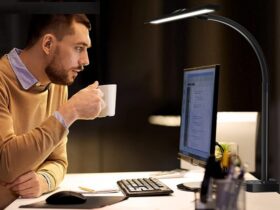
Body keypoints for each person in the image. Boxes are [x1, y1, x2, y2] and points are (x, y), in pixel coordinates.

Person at [0, 14, 105, 209]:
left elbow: (58, 161)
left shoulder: (56, 85)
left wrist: (43, 180)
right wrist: (70, 111)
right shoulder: (2, 81)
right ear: (47, 44)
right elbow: (6, 166)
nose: (86, 60)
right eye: (79, 48)